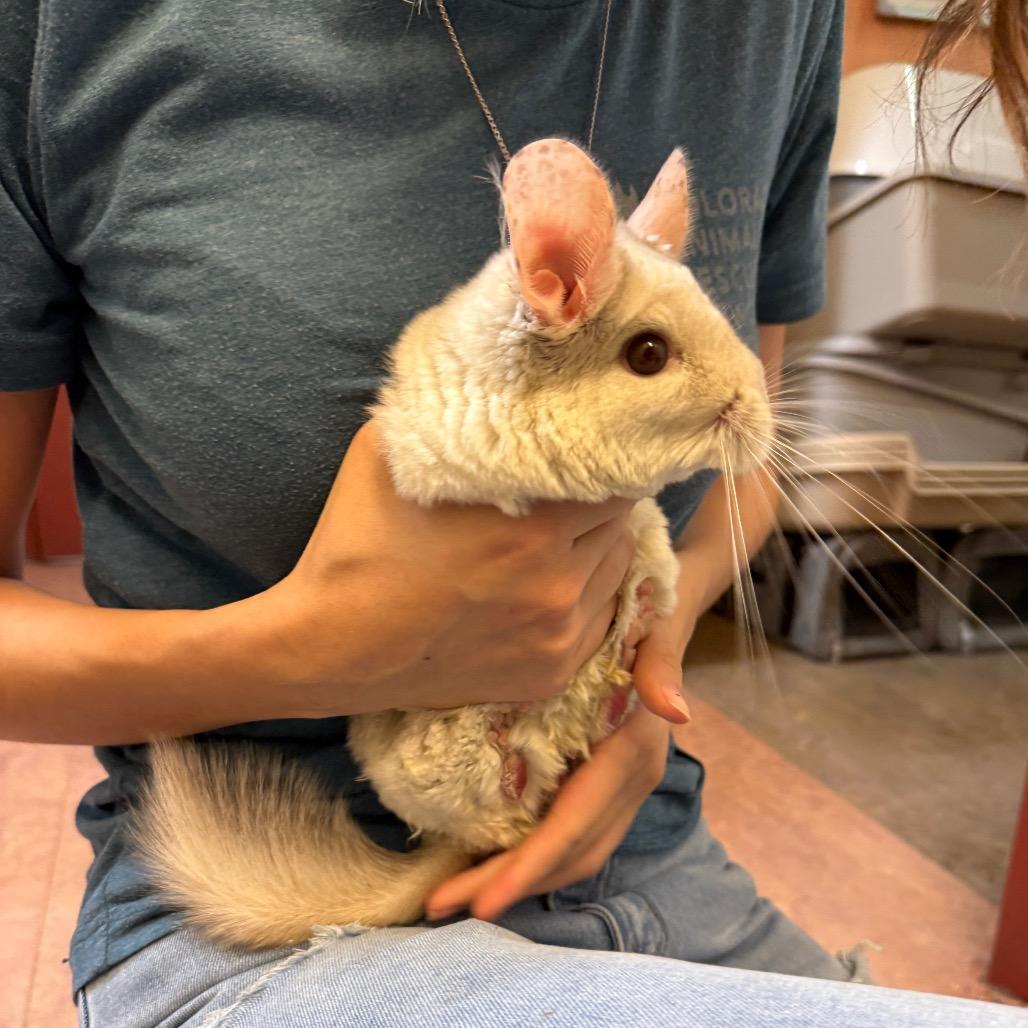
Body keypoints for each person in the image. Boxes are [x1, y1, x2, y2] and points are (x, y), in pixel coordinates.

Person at [0, 1, 1024, 1025]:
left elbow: (742, 448)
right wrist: (315, 645)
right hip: (267, 913)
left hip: (640, 833)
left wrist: (632, 671)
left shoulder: (778, 20)